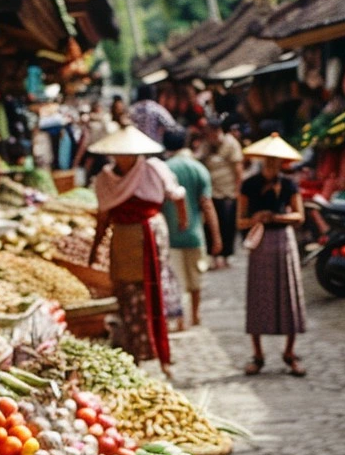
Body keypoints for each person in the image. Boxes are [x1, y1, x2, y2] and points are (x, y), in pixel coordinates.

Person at [88, 125, 187, 377]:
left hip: (150, 237)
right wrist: (96, 246)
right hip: (123, 239)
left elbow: (177, 196)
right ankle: (134, 355)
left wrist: (182, 221)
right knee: (127, 295)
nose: (123, 159)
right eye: (118, 154)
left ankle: (161, 354)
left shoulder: (154, 170)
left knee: (152, 292)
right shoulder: (105, 179)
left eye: (127, 154)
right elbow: (104, 216)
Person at [237, 133, 307, 377]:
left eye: (275, 160)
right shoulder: (249, 184)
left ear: (281, 163)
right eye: (268, 160)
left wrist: (276, 217)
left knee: (288, 295)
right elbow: (240, 220)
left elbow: (299, 216)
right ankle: (258, 354)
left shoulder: (289, 185)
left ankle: (290, 352)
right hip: (260, 242)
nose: (271, 164)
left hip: (283, 242)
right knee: (258, 297)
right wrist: (256, 219)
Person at [162, 126, 222, 329]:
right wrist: (216, 236)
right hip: (195, 234)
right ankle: (195, 315)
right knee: (196, 278)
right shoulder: (199, 169)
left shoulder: (164, 169)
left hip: (170, 235)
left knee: (176, 279)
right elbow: (207, 204)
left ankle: (180, 320)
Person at [198, 114, 244, 268]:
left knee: (227, 224)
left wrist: (238, 191)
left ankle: (227, 254)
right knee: (210, 225)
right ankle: (213, 254)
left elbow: (238, 169)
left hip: (227, 191)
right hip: (211, 191)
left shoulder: (231, 144)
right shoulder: (206, 144)